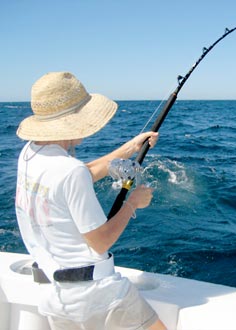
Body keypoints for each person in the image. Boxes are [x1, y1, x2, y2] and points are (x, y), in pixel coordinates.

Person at [15, 71, 166, 330]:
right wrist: (133, 203)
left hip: (59, 294)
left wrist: (130, 147)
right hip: (96, 295)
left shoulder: (29, 154)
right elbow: (100, 241)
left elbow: (79, 175)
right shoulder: (68, 171)